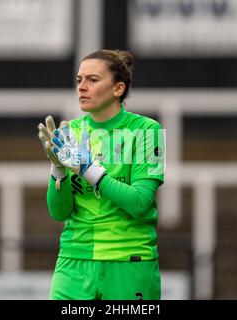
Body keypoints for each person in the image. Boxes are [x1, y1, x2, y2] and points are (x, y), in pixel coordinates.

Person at [37, 49, 165, 300]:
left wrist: (88, 169)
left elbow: (141, 204)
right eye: (79, 80)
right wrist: (58, 170)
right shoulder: (71, 131)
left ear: (118, 89)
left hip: (128, 260)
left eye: (92, 80)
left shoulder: (148, 131)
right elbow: (59, 212)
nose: (82, 87)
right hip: (73, 260)